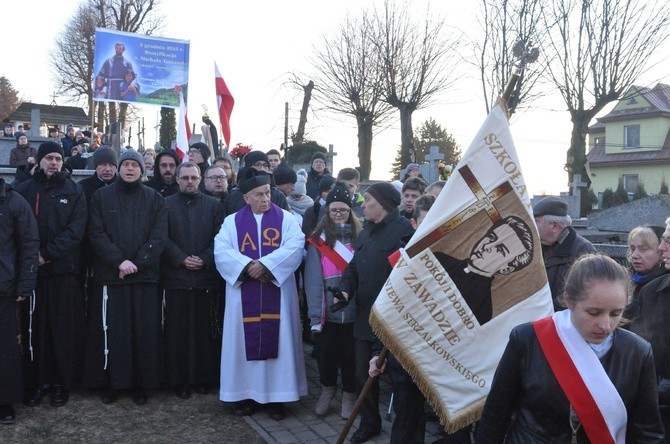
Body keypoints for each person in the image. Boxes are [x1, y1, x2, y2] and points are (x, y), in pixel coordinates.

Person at [477, 253, 665, 442]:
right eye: (594, 312)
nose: (606, 325)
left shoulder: (637, 352)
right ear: (569, 300)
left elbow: (647, 432)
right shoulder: (528, 339)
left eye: (616, 313)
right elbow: (495, 415)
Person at [214, 169, 307, 421]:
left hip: (277, 293)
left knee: (280, 342)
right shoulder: (232, 222)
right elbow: (221, 250)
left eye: (267, 193)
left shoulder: (286, 219)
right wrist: (247, 267)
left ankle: (279, 398)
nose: (265, 199)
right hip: (244, 293)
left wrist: (266, 266)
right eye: (258, 195)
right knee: (244, 343)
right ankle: (246, 395)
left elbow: (296, 246)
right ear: (246, 198)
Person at [83, 149, 167, 405]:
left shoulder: (154, 198)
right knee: (114, 333)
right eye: (126, 164)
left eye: (135, 165)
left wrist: (137, 263)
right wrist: (119, 261)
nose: (130, 169)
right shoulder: (101, 196)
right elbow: (96, 234)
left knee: (143, 334)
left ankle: (141, 384)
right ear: (119, 169)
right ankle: (113, 383)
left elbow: (158, 235)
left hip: (144, 277)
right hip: (112, 277)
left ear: (142, 170)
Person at [338, 182, 414, 443]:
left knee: (399, 381)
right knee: (363, 375)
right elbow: (353, 268)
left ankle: (403, 434)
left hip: (394, 322)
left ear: (382, 202)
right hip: (364, 318)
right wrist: (345, 291)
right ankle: (369, 423)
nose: (361, 204)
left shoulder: (405, 232)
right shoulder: (365, 230)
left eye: (367, 199)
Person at [15, 142, 87, 409]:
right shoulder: (24, 190)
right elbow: (17, 227)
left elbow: (76, 230)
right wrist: (33, 255)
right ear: (39, 160)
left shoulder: (74, 190)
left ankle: (61, 384)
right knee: (35, 331)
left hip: (62, 272)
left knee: (62, 331)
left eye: (58, 158)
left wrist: (47, 254)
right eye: (49, 158)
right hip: (32, 275)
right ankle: (36, 382)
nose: (54, 163)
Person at [369, 193, 437, 444]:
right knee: (406, 423)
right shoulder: (398, 260)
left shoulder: (458, 260)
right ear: (414, 224)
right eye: (426, 222)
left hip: (444, 358)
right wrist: (377, 352)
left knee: (455, 429)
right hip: (406, 356)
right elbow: (385, 307)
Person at [162, 161, 225, 399]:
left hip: (204, 279)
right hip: (177, 278)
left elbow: (220, 237)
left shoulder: (213, 206)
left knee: (203, 333)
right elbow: (162, 237)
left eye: (194, 178)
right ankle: (179, 380)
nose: (190, 182)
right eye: (185, 177)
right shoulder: (166, 204)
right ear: (177, 179)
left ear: (200, 180)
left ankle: (203, 378)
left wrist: (205, 259)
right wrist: (180, 258)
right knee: (177, 333)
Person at [305, 183, 362, 419]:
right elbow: (312, 280)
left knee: (350, 359)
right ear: (326, 212)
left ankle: (349, 395)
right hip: (327, 312)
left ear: (351, 211)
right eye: (334, 210)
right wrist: (317, 313)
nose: (339, 214)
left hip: (353, 313)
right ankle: (327, 391)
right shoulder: (318, 241)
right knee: (326, 356)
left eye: (344, 210)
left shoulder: (361, 238)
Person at [433, 215, 535, 325]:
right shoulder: (438, 259)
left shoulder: (483, 309)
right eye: (491, 237)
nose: (487, 246)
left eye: (500, 249)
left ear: (506, 269)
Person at [0, 177, 39, 425]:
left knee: (5, 350)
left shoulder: (14, 201)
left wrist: (25, 283)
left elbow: (29, 243)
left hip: (4, 287)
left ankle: (4, 402)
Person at [533, 196, 596, 310]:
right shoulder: (536, 247)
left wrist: (547, 311)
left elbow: (582, 294)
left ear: (555, 226)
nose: (532, 226)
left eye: (536, 222)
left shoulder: (584, 251)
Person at [224, 151, 289, 216]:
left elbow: (285, 221)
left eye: (265, 165)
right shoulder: (234, 196)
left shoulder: (278, 196)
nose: (262, 169)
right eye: (257, 164)